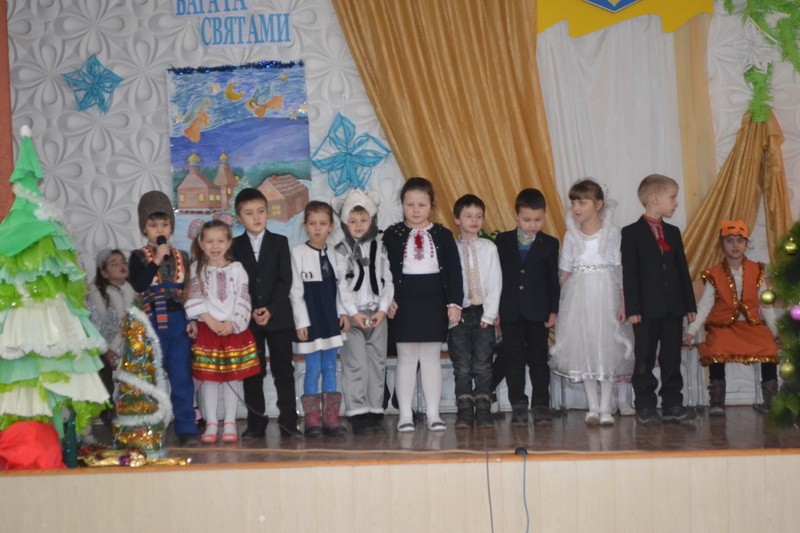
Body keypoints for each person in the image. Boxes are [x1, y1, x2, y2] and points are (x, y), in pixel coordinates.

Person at [549, 180, 634, 426]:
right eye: (574, 202)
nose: (576, 207)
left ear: (598, 205)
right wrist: (557, 304)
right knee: (584, 348)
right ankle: (593, 407)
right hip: (579, 299)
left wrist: (623, 303)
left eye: (582, 202)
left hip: (605, 297)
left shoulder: (612, 233)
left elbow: (619, 270)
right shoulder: (571, 235)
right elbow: (565, 272)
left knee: (605, 349)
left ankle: (606, 407)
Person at [384, 177, 463, 432]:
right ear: (402, 205)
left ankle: (433, 414)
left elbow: (454, 271)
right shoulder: (392, 235)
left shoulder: (443, 234)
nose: (416, 210)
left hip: (434, 301)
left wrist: (455, 303)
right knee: (406, 358)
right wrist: (388, 300)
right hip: (404, 302)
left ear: (432, 206)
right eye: (410, 205)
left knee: (430, 358)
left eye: (422, 205)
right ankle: (405, 415)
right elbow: (383, 272)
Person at [622, 174, 697, 425]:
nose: (676, 203)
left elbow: (682, 270)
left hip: (673, 307)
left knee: (672, 357)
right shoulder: (631, 233)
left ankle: (673, 403)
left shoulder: (673, 233)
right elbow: (630, 274)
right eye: (672, 198)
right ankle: (645, 404)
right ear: (655, 199)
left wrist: (689, 305)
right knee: (644, 357)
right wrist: (632, 308)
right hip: (645, 309)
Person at [683, 220, 779, 415]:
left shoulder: (757, 270)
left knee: (769, 346)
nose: (735, 245)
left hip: (752, 327)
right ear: (722, 245)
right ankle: (717, 402)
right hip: (723, 327)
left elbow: (765, 304)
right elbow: (705, 306)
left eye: (739, 241)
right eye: (729, 241)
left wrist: (776, 330)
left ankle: (770, 402)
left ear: (746, 244)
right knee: (717, 347)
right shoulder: (714, 274)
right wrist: (691, 332)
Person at [128, 191, 198, 446]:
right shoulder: (138, 256)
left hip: (178, 321)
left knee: (181, 375)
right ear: (144, 229)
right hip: (152, 322)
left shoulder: (183, 256)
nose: (160, 229)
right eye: (153, 225)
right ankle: (150, 426)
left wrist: (192, 319)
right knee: (152, 376)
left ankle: (186, 426)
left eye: (165, 224)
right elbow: (139, 284)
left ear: (171, 227)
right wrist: (156, 260)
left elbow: (189, 291)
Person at [232, 188, 302, 439]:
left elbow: (285, 280)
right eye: (249, 213)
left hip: (278, 317)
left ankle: (289, 422)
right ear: (239, 218)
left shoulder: (280, 242)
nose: (256, 217)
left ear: (267, 212)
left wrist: (270, 309)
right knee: (253, 371)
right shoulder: (234, 246)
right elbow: (235, 284)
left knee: (283, 370)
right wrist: (251, 310)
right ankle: (255, 424)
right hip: (248, 320)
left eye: (261, 211)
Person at [185, 220, 260, 444]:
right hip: (208, 331)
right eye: (209, 241)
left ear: (228, 243)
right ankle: (211, 423)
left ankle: (229, 422)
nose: (215, 246)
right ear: (201, 244)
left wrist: (232, 324)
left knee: (231, 379)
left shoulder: (237, 269)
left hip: (232, 331)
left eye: (220, 241)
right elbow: (194, 297)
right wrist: (208, 321)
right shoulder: (196, 268)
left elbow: (243, 299)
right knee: (209, 380)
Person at [332, 188, 394, 435]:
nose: (358, 225)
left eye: (363, 220)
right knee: (356, 364)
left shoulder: (381, 247)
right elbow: (341, 285)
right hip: (353, 315)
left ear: (372, 220)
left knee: (377, 363)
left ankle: (374, 410)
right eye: (353, 221)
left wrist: (383, 309)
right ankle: (357, 412)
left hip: (377, 313)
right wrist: (352, 313)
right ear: (345, 223)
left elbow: (388, 280)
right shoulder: (341, 250)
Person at [495, 188, 560, 426]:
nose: (532, 225)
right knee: (514, 359)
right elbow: (497, 278)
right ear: (516, 215)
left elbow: (552, 280)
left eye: (538, 220)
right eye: (527, 219)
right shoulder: (502, 241)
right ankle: (518, 405)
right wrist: (495, 311)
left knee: (538, 359)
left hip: (538, 312)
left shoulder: (550, 243)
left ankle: (541, 404)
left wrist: (553, 310)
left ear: (544, 216)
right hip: (510, 311)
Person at [290, 201, 350, 437]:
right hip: (312, 321)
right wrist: (301, 322)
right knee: (313, 368)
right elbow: (295, 292)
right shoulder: (298, 253)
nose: (317, 228)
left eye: (323, 224)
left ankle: (331, 418)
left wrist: (343, 313)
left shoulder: (335, 255)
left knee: (330, 367)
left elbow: (341, 288)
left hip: (330, 320)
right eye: (313, 223)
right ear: (305, 226)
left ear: (330, 227)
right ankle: (312, 419)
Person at [448, 194, 502, 429]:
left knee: (483, 364)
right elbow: (447, 282)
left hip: (482, 315)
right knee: (461, 365)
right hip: (458, 315)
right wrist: (452, 311)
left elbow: (495, 282)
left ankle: (483, 408)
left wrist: (489, 314)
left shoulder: (488, 247)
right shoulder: (450, 248)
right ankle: (464, 410)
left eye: (479, 216)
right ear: (457, 219)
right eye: (468, 216)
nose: (474, 220)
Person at [87, 248, 137, 400]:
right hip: (105, 348)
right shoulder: (97, 295)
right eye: (114, 264)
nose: (121, 266)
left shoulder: (133, 292)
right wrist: (109, 349)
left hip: (131, 346)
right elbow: (96, 325)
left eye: (123, 262)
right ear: (104, 273)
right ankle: (107, 407)